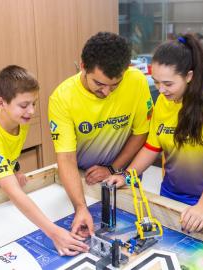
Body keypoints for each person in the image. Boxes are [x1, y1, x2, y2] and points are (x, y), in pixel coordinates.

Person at [105, 34, 203, 233]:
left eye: (168, 84)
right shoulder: (163, 101)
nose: (161, 90)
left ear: (189, 76)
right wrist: (127, 176)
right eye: (156, 82)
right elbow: (152, 147)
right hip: (170, 191)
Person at [0, 65, 88, 256]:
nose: (31, 111)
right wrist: (53, 232)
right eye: (24, 105)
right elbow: (14, 192)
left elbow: (9, 151)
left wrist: (15, 169)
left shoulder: (19, 121)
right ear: (1, 103)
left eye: (34, 103)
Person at [48, 32, 153, 238]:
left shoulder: (137, 82)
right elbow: (66, 158)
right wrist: (80, 207)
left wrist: (113, 168)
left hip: (124, 173)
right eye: (99, 84)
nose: (107, 93)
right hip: (85, 180)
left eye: (115, 85)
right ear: (82, 66)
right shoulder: (62, 97)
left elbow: (141, 133)